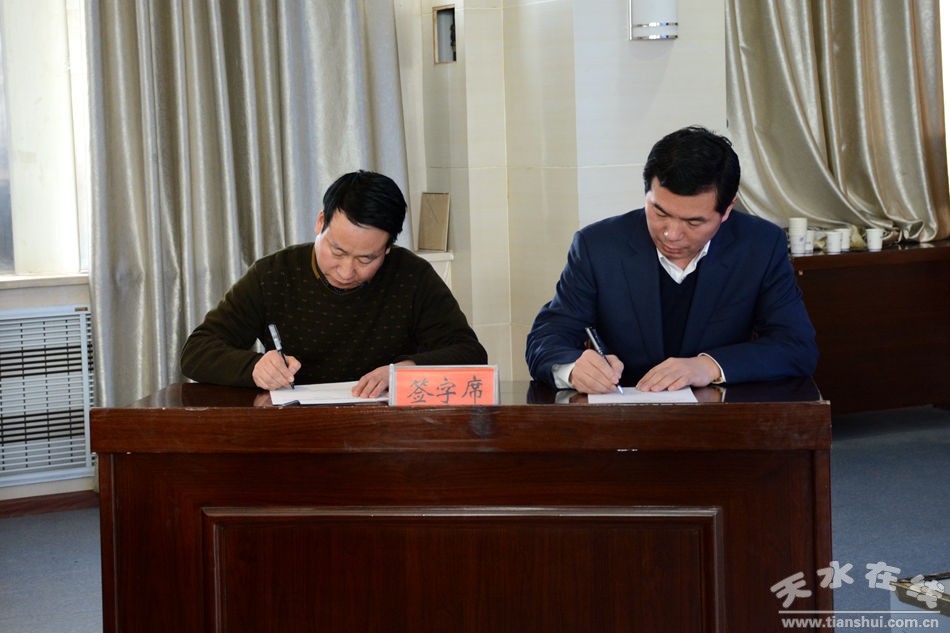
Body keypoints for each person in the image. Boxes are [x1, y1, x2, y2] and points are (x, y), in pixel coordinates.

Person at [525, 125, 818, 394]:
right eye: (660, 212)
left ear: (728, 209)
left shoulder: (760, 245)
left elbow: (796, 346)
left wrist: (708, 366)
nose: (671, 234)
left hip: (723, 420)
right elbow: (547, 337)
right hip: (626, 418)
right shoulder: (599, 246)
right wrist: (574, 368)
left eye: (693, 222)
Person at [181, 170, 487, 397]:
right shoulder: (274, 274)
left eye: (366, 259)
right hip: (297, 428)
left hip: (386, 430)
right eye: (337, 251)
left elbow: (469, 353)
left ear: (387, 249)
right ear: (320, 223)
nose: (346, 271)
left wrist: (404, 370)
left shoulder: (412, 276)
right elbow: (197, 351)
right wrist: (254, 367)